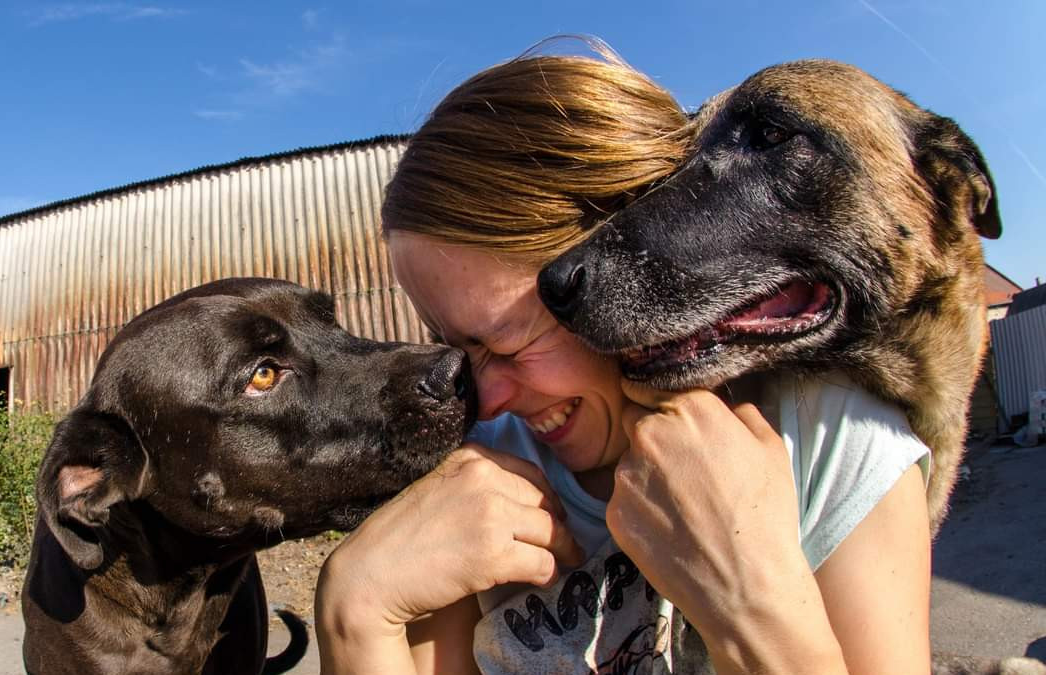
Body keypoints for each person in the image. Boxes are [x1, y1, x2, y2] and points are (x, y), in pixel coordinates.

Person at [314, 42, 931, 675]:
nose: (488, 399)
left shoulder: (830, 439)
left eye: (507, 342)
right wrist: (354, 610)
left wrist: (753, 609)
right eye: (460, 352)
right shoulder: (475, 481)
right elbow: (368, 615)